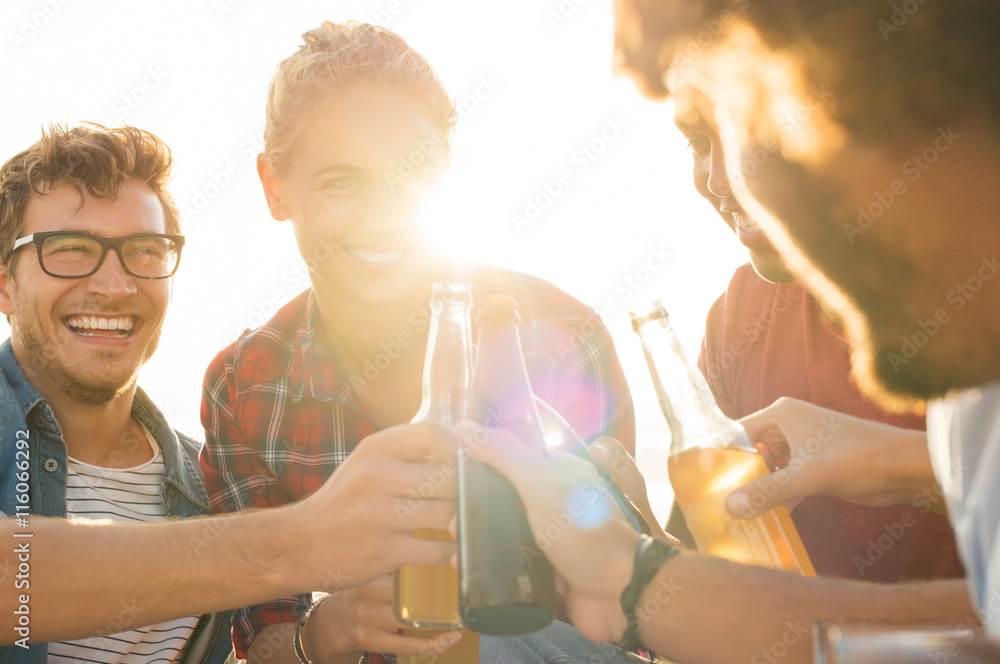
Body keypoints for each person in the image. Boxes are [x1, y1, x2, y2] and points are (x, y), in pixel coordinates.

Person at [450, 1, 1000, 662]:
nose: (726, 180)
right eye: (696, 139)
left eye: (759, 119)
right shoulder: (754, 320)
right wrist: (638, 563)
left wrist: (644, 586)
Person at [197, 20, 636, 663]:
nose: (385, 212)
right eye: (342, 181)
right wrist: (328, 631)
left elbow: (629, 621)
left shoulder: (562, 340)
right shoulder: (247, 387)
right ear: (274, 188)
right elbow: (262, 638)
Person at [0, 125, 457, 662]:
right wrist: (303, 538)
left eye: (145, 251)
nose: (115, 285)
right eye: (71, 249)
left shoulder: (207, 481)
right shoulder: (257, 534)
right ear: (5, 283)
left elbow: (262, 648)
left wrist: (331, 629)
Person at [672, 110, 962, 582]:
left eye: (752, 134)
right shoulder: (737, 317)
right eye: (698, 144)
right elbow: (708, 562)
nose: (720, 181)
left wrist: (898, 465)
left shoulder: (974, 302)